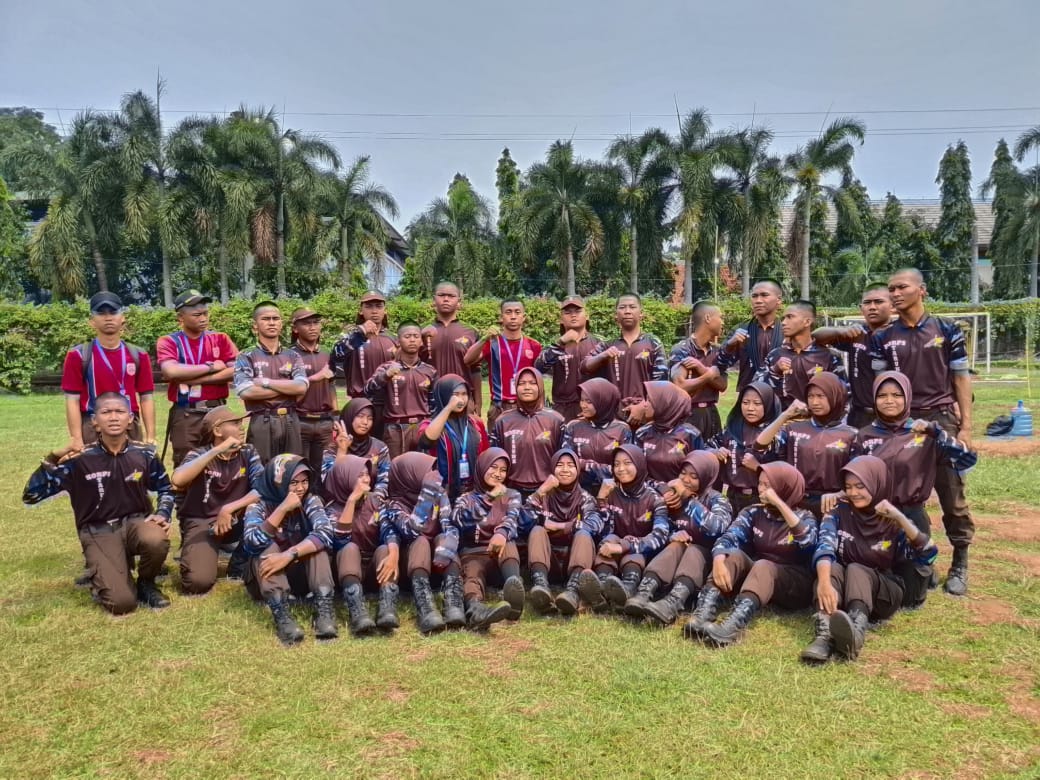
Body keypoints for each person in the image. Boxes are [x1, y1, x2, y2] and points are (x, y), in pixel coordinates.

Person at [869, 268, 976, 596]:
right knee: (904, 495)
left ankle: (960, 561)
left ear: (922, 290)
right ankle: (919, 560)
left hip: (940, 421)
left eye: (901, 287)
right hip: (902, 424)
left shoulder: (947, 329)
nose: (895, 293)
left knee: (951, 494)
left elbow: (960, 378)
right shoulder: (882, 338)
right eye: (891, 289)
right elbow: (881, 386)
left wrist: (966, 427)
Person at [23, 392, 174, 614]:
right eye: (106, 412)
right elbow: (31, 495)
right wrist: (52, 458)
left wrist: (163, 513)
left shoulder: (145, 454)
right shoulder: (79, 459)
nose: (113, 417)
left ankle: (146, 583)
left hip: (135, 523)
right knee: (121, 603)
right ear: (94, 421)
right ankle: (110, 575)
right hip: (98, 529)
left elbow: (165, 488)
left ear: (130, 419)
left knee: (156, 538)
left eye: (119, 411)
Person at [853, 371, 977, 603]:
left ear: (908, 397)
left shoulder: (924, 433)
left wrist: (937, 433)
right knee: (876, 582)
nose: (889, 400)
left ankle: (926, 569)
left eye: (897, 395)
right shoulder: (863, 436)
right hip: (875, 518)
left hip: (911, 518)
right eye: (882, 395)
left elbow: (967, 459)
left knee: (912, 597)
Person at [804, 455, 938, 664]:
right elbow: (825, 545)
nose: (853, 493)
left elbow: (929, 555)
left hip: (883, 593)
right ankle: (824, 634)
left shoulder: (892, 519)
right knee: (832, 569)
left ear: (877, 483)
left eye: (860, 486)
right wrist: (823, 582)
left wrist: (901, 519)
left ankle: (856, 633)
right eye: (848, 487)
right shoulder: (838, 511)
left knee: (857, 569)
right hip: (844, 588)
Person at [689, 461, 817, 647]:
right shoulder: (754, 511)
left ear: (785, 487)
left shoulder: (805, 516)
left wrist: (779, 504)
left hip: (793, 583)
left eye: (768, 485)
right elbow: (730, 536)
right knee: (733, 555)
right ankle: (704, 611)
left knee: (763, 565)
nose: (761, 489)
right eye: (760, 483)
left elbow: (808, 543)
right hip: (759, 577)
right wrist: (718, 559)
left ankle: (733, 625)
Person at [627, 451, 733, 625]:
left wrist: (690, 500)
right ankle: (645, 592)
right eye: (683, 473)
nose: (686, 480)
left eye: (694, 476)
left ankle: (674, 601)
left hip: (705, 561)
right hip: (676, 559)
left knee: (694, 550)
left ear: (706, 476)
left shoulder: (718, 499)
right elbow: (661, 527)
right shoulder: (674, 496)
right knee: (676, 545)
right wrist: (672, 535)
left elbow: (717, 528)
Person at [241, 454, 336, 645]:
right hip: (266, 578)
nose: (300, 488)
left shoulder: (310, 500)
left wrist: (289, 554)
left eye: (304, 481)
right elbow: (251, 542)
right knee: (266, 547)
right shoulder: (258, 504)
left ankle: (324, 612)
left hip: (299, 572)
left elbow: (326, 532)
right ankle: (282, 615)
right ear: (279, 481)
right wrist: (282, 508)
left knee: (317, 546)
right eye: (293, 483)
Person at [170, 407, 263, 593]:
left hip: (235, 518)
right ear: (217, 431)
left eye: (241, 423)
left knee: (265, 511)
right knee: (198, 582)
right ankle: (200, 554)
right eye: (235, 423)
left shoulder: (248, 452)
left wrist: (229, 508)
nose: (241, 427)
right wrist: (218, 450)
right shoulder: (198, 454)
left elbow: (263, 489)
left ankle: (238, 564)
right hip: (203, 521)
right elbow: (177, 479)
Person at [576, 444, 670, 612]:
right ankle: (601, 588)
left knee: (633, 549)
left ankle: (627, 590)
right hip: (611, 551)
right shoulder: (611, 492)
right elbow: (601, 529)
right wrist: (601, 500)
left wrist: (625, 545)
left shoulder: (655, 499)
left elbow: (660, 536)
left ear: (639, 464)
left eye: (627, 463)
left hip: (639, 554)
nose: (621, 469)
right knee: (609, 539)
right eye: (616, 464)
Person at [438, 448, 524, 629]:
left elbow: (513, 519)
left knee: (508, 542)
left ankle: (514, 594)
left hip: (501, 558)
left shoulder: (512, 495)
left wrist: (501, 533)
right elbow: (459, 520)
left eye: (503, 470)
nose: (498, 474)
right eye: (493, 467)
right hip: (474, 554)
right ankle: (477, 610)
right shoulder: (465, 498)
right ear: (482, 467)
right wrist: (489, 498)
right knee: (472, 575)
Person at [61, 291, 155, 451]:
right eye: (101, 313)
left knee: (133, 467)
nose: (108, 318)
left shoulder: (139, 355)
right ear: (92, 321)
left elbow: (146, 397)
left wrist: (151, 436)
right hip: (93, 425)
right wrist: (76, 439)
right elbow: (72, 400)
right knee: (94, 467)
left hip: (129, 424)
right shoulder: (78, 355)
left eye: (113, 312)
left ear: (122, 318)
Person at [754, 372, 857, 518]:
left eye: (821, 396)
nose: (815, 402)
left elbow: (858, 476)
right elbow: (760, 445)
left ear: (835, 396)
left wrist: (840, 494)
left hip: (832, 504)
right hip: (796, 502)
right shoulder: (793, 429)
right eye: (810, 396)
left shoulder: (851, 435)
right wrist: (785, 415)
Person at [156, 290, 239, 467]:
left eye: (206, 313)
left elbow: (238, 370)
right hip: (186, 412)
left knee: (223, 462)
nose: (203, 319)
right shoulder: (169, 341)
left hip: (217, 410)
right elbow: (171, 371)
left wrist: (195, 379)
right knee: (186, 463)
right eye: (197, 315)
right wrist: (211, 367)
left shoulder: (220, 338)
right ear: (181, 318)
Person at [378, 453, 454, 634]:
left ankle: (453, 603)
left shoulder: (439, 493)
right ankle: (425, 607)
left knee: (445, 540)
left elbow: (449, 526)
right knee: (420, 541)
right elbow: (412, 531)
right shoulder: (393, 505)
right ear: (409, 476)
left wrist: (446, 548)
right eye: (427, 472)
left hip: (437, 563)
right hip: (410, 568)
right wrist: (426, 496)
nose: (433, 475)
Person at [524, 448, 604, 615]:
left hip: (574, 561)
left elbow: (595, 525)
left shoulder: (585, 498)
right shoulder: (544, 494)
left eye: (570, 465)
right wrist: (540, 492)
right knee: (537, 530)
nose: (565, 470)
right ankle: (541, 586)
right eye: (560, 465)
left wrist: (561, 526)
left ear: (578, 470)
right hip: (548, 561)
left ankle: (573, 591)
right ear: (552, 468)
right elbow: (521, 522)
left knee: (584, 535)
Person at [232, 302, 309, 462]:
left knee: (291, 467)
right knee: (260, 468)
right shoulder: (246, 356)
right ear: (255, 325)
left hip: (291, 420)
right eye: (266, 319)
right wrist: (287, 388)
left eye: (276, 318)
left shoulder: (293, 355)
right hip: (262, 420)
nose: (272, 322)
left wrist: (265, 382)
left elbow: (301, 387)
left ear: (281, 324)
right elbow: (247, 392)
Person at [811, 284, 893, 428]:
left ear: (892, 305)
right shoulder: (856, 333)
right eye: (867, 303)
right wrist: (840, 331)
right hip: (859, 415)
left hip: (891, 414)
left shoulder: (900, 334)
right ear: (861, 308)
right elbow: (816, 336)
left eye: (879, 302)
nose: (872, 307)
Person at [581, 293, 668, 420]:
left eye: (632, 307)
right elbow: (584, 366)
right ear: (616, 315)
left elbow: (662, 382)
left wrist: (644, 406)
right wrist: (603, 356)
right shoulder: (607, 345)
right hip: (613, 415)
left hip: (645, 414)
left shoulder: (653, 343)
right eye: (622, 307)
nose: (627, 311)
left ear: (641, 313)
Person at [324, 454, 383, 636]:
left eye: (367, 474)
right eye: (360, 475)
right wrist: (351, 501)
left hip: (372, 568)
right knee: (349, 548)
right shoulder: (331, 508)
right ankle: (357, 611)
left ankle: (386, 609)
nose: (366, 479)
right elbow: (340, 540)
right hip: (346, 571)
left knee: (386, 548)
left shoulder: (375, 500)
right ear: (345, 478)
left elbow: (388, 531)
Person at [464, 299, 542, 430]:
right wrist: (484, 338)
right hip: (499, 407)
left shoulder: (534, 345)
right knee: (496, 443)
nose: (513, 316)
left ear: (524, 317)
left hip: (526, 406)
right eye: (508, 312)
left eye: (517, 312)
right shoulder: (492, 343)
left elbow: (539, 378)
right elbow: (467, 360)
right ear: (501, 317)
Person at [365, 321, 439, 459]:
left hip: (422, 426)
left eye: (416, 336)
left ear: (421, 342)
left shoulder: (430, 371)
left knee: (423, 466)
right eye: (407, 336)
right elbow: (368, 390)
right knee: (395, 467)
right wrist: (385, 376)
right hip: (394, 429)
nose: (412, 340)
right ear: (398, 341)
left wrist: (430, 425)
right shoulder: (387, 368)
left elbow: (434, 403)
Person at [330, 290, 398, 438]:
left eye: (378, 306)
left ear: (385, 310)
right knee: (358, 447)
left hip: (388, 405)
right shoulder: (351, 336)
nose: (374, 311)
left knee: (384, 447)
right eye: (369, 306)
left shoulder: (393, 338)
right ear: (361, 310)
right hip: (360, 403)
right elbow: (336, 355)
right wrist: (361, 332)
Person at [706, 382, 782, 515]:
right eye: (745, 403)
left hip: (764, 498)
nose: (750, 408)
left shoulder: (776, 434)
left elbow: (785, 471)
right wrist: (716, 452)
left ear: (768, 404)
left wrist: (758, 468)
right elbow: (706, 447)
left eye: (757, 404)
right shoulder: (732, 429)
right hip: (733, 497)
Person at [490, 367, 564, 499]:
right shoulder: (503, 420)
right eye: (522, 383)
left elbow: (563, 458)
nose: (527, 387)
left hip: (547, 489)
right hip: (512, 490)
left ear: (540, 386)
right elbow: (495, 457)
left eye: (532, 383)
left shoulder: (556, 420)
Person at [761, 300, 847, 411]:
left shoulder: (829, 356)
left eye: (790, 317)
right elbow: (758, 390)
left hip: (817, 419)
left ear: (807, 322)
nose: (783, 322)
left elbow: (842, 392)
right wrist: (775, 370)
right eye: (783, 318)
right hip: (782, 419)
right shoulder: (774, 355)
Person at [418, 375, 490, 503]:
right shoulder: (430, 424)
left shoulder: (475, 423)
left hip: (472, 492)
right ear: (443, 395)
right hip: (442, 493)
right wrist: (448, 408)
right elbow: (426, 442)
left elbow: (486, 456)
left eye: (464, 394)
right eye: (455, 395)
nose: (460, 399)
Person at [561, 378, 634, 494]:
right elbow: (567, 463)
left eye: (589, 402)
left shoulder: (622, 429)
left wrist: (584, 465)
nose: (583, 405)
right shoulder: (573, 426)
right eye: (582, 400)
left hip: (612, 492)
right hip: (578, 492)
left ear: (603, 402)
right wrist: (601, 468)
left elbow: (623, 469)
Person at [535, 296, 603, 421]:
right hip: (562, 410)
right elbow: (538, 368)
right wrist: (561, 342)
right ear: (561, 319)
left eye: (578, 311)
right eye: (567, 312)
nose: (573, 315)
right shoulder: (556, 345)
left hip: (592, 408)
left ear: (587, 316)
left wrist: (597, 405)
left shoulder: (599, 343)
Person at [421, 281, 483, 416]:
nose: (446, 299)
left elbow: (476, 370)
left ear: (459, 302)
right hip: (430, 400)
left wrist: (477, 403)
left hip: (463, 399)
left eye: (451, 296)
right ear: (433, 300)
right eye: (441, 295)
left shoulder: (471, 332)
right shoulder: (421, 332)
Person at [289, 308, 337, 476]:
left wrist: (335, 417)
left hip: (325, 422)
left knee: (324, 469)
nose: (312, 327)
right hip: (299, 420)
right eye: (306, 323)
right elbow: (288, 389)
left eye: (316, 323)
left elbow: (331, 386)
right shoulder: (289, 355)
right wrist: (315, 377)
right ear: (295, 328)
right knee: (299, 468)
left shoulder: (327, 354)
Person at [669, 301, 727, 439]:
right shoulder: (682, 349)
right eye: (720, 317)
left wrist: (701, 369)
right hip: (688, 414)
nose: (723, 322)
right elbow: (679, 386)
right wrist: (708, 376)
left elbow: (723, 385)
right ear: (707, 318)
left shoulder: (718, 351)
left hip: (712, 414)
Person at [717, 280, 784, 392]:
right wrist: (729, 345)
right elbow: (720, 364)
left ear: (779, 300)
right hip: (748, 395)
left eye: (764, 295)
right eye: (754, 296)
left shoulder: (787, 332)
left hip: (779, 395)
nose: (758, 300)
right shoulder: (741, 330)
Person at [631, 381, 702, 484]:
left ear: (665, 403)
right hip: (649, 491)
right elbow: (637, 471)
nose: (645, 405)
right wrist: (660, 487)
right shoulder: (642, 433)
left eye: (650, 400)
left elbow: (699, 472)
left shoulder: (690, 434)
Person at [323, 398, 391, 497]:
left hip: (371, 500)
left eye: (370, 418)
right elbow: (328, 482)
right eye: (360, 416)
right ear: (349, 417)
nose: (365, 422)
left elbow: (384, 481)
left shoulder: (380, 447)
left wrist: (373, 499)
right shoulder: (332, 448)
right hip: (340, 501)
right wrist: (342, 451)